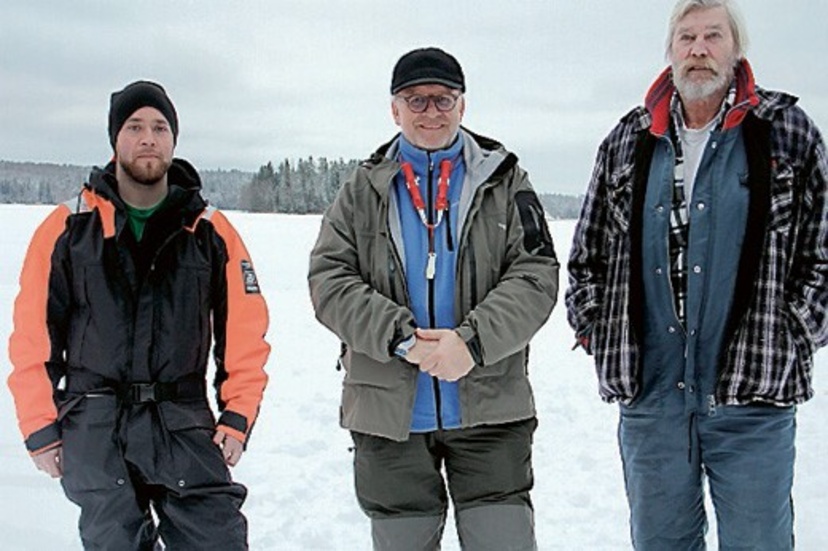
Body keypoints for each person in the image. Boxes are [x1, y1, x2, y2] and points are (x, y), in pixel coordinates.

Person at [566, 1, 828, 549]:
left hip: (752, 399)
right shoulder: (628, 141)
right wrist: (601, 332)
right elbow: (587, 257)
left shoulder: (785, 133)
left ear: (736, 49)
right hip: (653, 401)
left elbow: (822, 253)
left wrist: (795, 332)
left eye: (713, 36)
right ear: (670, 51)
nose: (699, 49)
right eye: (686, 37)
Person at [308, 47, 558, 550]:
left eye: (442, 100)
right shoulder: (361, 188)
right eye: (415, 100)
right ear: (394, 109)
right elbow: (329, 279)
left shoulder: (505, 180)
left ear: (462, 107)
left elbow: (537, 273)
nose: (430, 112)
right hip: (389, 416)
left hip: (490, 407)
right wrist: (402, 339)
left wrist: (472, 342)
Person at [7, 80, 270, 550]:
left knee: (218, 539)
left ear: (173, 141)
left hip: (182, 423)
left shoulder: (209, 230)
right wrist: (40, 427)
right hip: (94, 426)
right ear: (115, 139)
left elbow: (245, 333)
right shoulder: (68, 229)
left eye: (160, 127)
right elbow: (33, 336)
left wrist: (237, 416)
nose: (148, 137)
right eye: (135, 126)